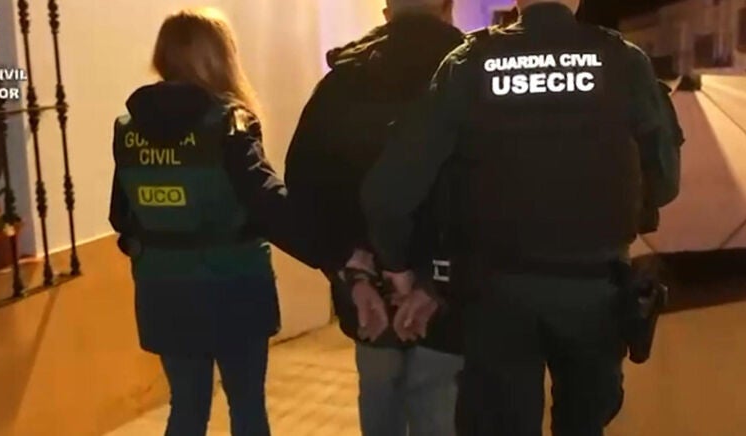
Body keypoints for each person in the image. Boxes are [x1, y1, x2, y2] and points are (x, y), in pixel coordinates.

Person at [360, 1, 684, 435]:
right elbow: (665, 184)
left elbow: (389, 191)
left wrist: (398, 266)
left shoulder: (469, 63)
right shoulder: (624, 61)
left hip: (497, 296)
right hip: (595, 293)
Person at [108, 9, 349, 436]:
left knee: (186, 407)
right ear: (220, 56)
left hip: (164, 290)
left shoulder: (130, 129)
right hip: (233, 286)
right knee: (246, 406)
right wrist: (334, 253)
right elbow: (267, 202)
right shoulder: (228, 123)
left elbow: (121, 216)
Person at [284, 0, 465, 435]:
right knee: (439, 402)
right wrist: (437, 278)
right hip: (448, 287)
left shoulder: (342, 80)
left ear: (386, 14)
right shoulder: (469, 74)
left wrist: (351, 266)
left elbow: (303, 186)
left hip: (370, 287)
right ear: (449, 10)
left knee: (380, 394)